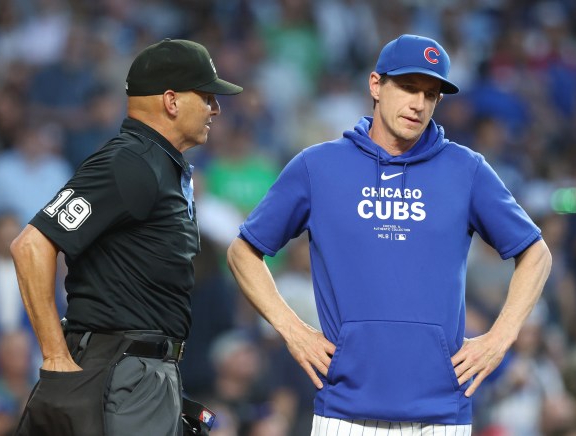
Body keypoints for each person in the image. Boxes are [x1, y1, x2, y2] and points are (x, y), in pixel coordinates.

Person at [226, 34, 552, 435]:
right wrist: (293, 330)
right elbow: (243, 251)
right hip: (343, 410)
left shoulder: (466, 170)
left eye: (431, 94)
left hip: (441, 414)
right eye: (409, 87)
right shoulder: (319, 166)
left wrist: (500, 339)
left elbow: (537, 254)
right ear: (376, 85)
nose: (419, 104)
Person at [10, 38, 242, 436]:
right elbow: (30, 245)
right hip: (120, 371)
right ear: (171, 100)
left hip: (139, 372)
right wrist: (54, 356)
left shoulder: (158, 163)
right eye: (206, 97)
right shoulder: (129, 161)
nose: (215, 109)